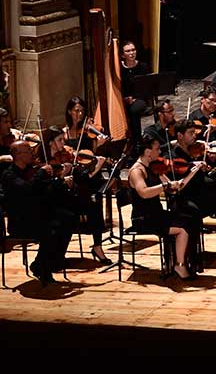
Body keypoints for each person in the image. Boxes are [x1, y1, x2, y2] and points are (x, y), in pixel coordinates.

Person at [1, 139, 76, 286]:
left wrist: (60, 182)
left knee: (69, 218)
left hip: (36, 217)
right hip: (21, 223)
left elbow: (44, 190)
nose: (32, 153)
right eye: (28, 150)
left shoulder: (31, 171)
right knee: (52, 228)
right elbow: (29, 191)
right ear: (18, 155)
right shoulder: (9, 175)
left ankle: (49, 262)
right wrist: (41, 173)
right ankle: (43, 267)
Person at [128, 136, 200, 281]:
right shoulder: (137, 171)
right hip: (144, 218)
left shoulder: (154, 167)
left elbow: (174, 188)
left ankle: (181, 262)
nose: (160, 152)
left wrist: (192, 173)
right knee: (183, 227)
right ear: (148, 152)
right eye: (157, 149)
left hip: (156, 214)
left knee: (191, 219)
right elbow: (144, 193)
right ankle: (179, 265)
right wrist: (164, 186)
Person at [62, 97, 110, 264]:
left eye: (82, 111)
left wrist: (99, 143)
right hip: (74, 177)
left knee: (96, 206)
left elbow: (93, 155)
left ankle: (98, 246)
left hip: (90, 173)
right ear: (69, 111)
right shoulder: (65, 133)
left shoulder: (89, 133)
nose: (80, 114)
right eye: (76, 110)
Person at [120, 40, 150, 144]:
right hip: (123, 99)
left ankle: (137, 141)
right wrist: (125, 98)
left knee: (134, 109)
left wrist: (134, 98)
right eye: (128, 51)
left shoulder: (143, 66)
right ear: (123, 55)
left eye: (133, 50)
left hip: (140, 98)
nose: (132, 53)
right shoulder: (118, 68)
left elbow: (145, 87)